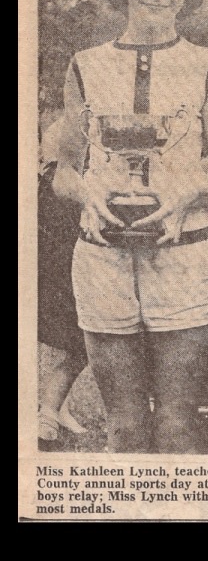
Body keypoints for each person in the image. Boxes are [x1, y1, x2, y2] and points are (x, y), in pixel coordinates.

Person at [53, 0, 208, 453]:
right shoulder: (86, 65)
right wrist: (91, 193)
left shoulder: (206, 65)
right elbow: (65, 172)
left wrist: (183, 196)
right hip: (103, 262)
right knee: (125, 429)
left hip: (182, 260)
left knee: (178, 427)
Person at [38, 120, 88, 443]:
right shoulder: (54, 190)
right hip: (59, 280)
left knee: (81, 346)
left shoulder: (50, 186)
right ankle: (48, 412)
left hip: (68, 276)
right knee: (83, 346)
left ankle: (56, 409)